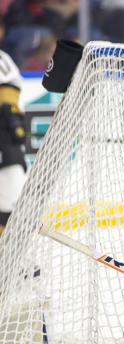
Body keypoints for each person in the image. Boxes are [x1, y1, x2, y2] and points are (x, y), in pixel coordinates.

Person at [0, 49, 27, 236]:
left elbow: (9, 108)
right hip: (8, 147)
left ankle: (13, 260)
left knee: (8, 215)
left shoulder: (3, 59)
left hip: (6, 149)